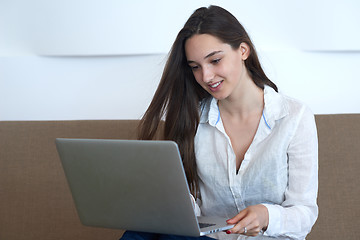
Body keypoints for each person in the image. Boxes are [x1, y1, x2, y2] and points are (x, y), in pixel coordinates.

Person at [121, 5, 318, 240]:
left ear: (243, 50)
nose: (205, 77)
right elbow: (192, 208)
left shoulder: (294, 117)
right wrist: (173, 202)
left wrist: (267, 215)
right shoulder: (192, 118)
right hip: (208, 238)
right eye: (195, 67)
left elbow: (304, 213)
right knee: (144, 227)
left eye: (214, 60)